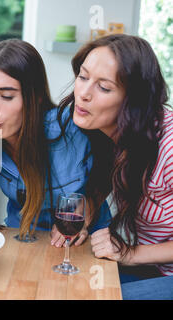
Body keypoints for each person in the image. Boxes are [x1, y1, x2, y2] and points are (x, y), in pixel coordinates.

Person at [58, 34, 172, 299]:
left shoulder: (168, 146)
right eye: (83, 77)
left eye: (104, 88)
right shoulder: (107, 133)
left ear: (134, 100)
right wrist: (82, 219)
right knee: (66, 286)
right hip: (151, 267)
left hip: (161, 271)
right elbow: (102, 181)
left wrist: (132, 253)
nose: (83, 94)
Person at [0, 39, 111, 244]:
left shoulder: (71, 127)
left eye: (6, 96)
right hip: (24, 238)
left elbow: (116, 159)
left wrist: (89, 206)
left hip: (86, 245)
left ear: (35, 97)